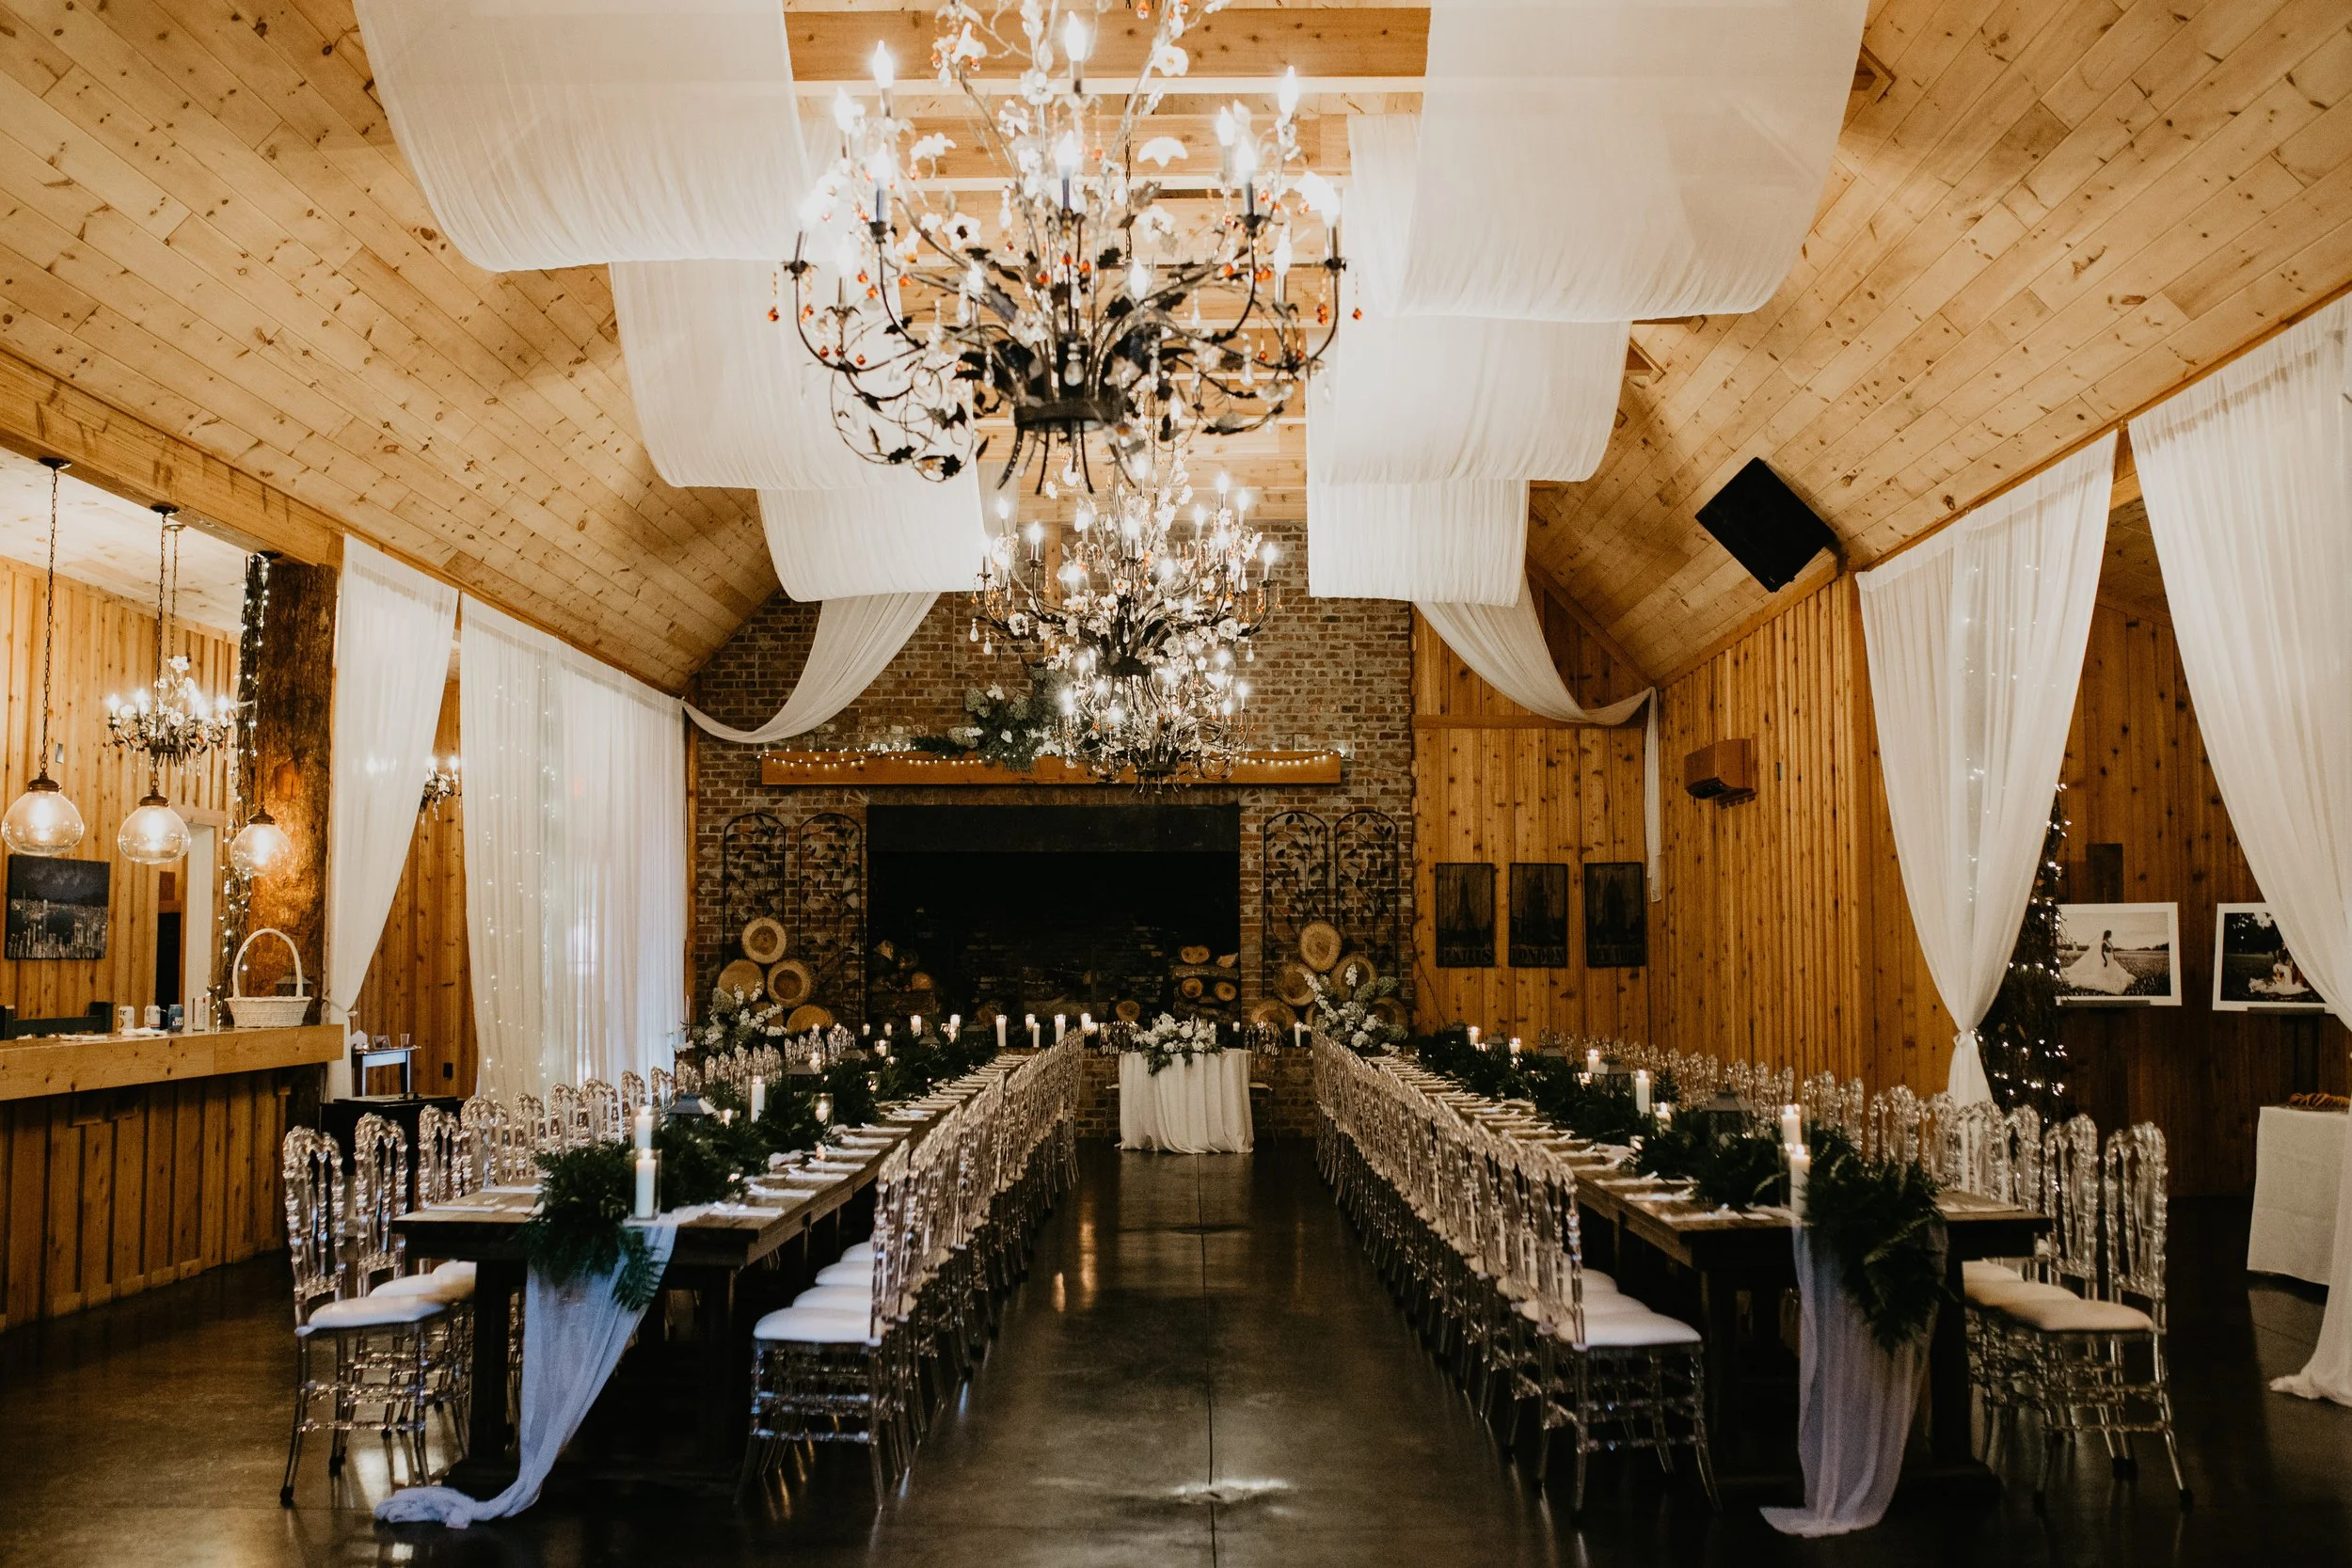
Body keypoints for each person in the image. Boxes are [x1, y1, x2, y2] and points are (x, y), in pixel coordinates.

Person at [2062, 928, 2133, 995]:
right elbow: (2102, 953)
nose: (2111, 935)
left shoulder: (2109, 942)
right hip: (2107, 958)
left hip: (2111, 958)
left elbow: (2112, 951)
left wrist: (2114, 958)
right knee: (2106, 972)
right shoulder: (2103, 943)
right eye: (2110, 934)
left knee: (2116, 970)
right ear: (2107, 935)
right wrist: (2105, 961)